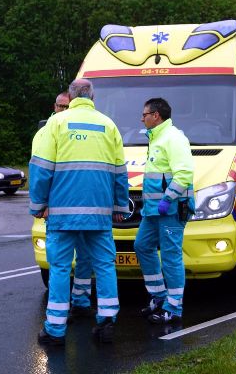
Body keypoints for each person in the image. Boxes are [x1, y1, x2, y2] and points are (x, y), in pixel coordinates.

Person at [29, 78, 129, 345]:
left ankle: (55, 330)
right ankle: (107, 322)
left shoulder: (56, 124)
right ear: (93, 97)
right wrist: (120, 206)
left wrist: (38, 205)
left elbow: (40, 168)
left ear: (71, 97)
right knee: (105, 265)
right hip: (99, 214)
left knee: (60, 268)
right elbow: (120, 172)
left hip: (62, 214)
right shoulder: (109, 125)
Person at [32, 92, 95, 319]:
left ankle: (80, 300)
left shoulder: (77, 129)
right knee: (60, 262)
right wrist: (42, 204)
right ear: (54, 107)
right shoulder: (46, 131)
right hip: (57, 208)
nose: (64, 110)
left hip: (81, 206)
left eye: (68, 106)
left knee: (85, 257)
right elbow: (40, 171)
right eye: (61, 106)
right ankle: (61, 308)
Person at [134, 98, 194, 324]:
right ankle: (159, 297)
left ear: (156, 115)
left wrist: (168, 199)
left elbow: (184, 174)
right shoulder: (157, 138)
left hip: (171, 209)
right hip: (154, 211)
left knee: (170, 257)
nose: (142, 118)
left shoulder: (174, 138)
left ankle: (174, 307)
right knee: (142, 246)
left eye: (144, 114)